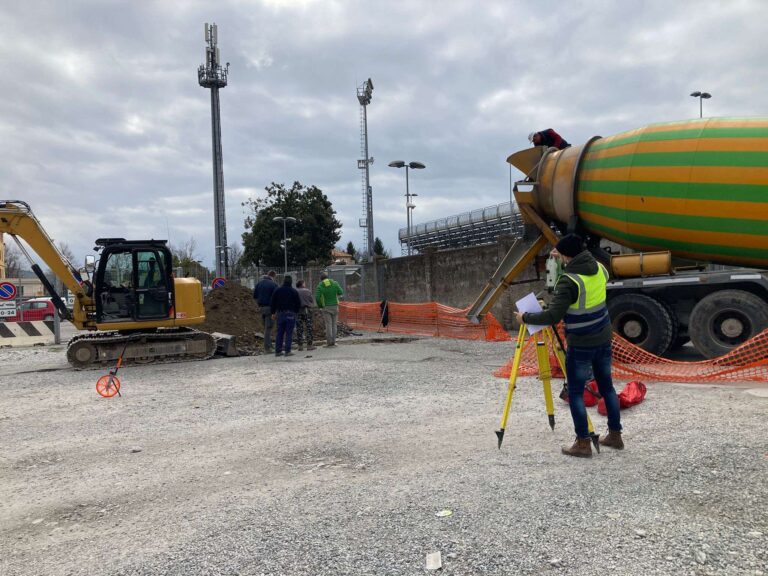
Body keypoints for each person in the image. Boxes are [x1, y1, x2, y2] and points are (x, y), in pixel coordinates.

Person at [513, 233, 623, 458]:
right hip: (603, 338)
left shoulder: (568, 281)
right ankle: (615, 435)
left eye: (561, 255)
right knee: (607, 388)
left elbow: (553, 315)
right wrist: (564, 258)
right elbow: (583, 277)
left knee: (575, 393)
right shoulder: (600, 268)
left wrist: (525, 318)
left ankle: (583, 443)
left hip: (581, 343)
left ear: (566, 256)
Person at [270, 275, 302, 357]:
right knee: (289, 333)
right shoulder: (294, 291)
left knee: (280, 332)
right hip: (290, 314)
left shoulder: (277, 290)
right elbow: (298, 304)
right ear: (291, 282)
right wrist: (296, 312)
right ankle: (287, 351)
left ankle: (278, 351)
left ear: (283, 281)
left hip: (280, 313)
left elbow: (273, 302)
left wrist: (273, 313)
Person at [315, 272, 343, 347]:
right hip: (335, 306)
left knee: (328, 325)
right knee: (334, 325)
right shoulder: (335, 283)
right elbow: (341, 292)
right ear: (327, 277)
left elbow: (317, 298)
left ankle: (329, 343)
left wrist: (320, 306)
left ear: (321, 279)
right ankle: (334, 342)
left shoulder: (320, 286)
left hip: (326, 307)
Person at [253, 270, 278, 352]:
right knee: (268, 327)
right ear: (273, 276)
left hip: (261, 308)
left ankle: (269, 345)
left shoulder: (259, 284)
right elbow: (277, 297)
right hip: (270, 308)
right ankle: (267, 348)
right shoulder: (273, 284)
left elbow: (255, 296)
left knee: (266, 327)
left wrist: (258, 305)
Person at [295, 280, 316, 351]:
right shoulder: (307, 291)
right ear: (302, 284)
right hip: (307, 310)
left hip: (298, 311)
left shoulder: (295, 291)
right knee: (309, 328)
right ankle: (309, 345)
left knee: (299, 328)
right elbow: (311, 301)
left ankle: (300, 346)